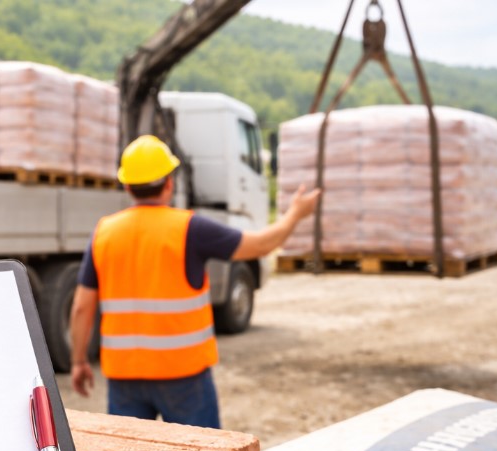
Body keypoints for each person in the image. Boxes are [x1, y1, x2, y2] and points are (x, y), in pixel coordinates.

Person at [68, 134, 321, 428]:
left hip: (124, 379)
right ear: (170, 183)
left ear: (127, 186)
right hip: (184, 378)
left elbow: (81, 308)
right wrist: (295, 215)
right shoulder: (189, 228)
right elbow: (262, 246)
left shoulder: (103, 233)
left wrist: (78, 361)